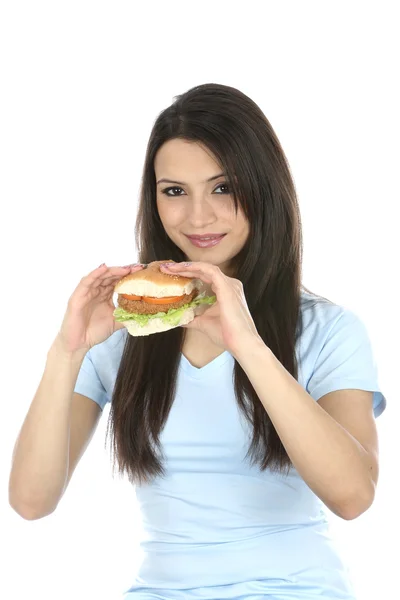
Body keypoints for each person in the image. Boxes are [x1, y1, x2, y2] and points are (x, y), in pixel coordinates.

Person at [9, 83, 386, 600]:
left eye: (224, 187)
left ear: (264, 188)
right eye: (175, 191)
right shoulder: (125, 332)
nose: (199, 217)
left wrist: (248, 345)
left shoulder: (329, 330)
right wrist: (67, 351)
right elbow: (31, 501)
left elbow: (353, 496)